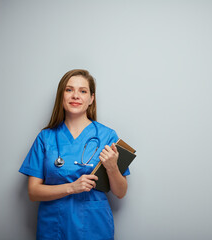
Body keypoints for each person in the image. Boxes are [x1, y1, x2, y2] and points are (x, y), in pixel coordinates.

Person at [19, 69, 129, 240]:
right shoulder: (46, 137)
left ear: (91, 98)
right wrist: (72, 187)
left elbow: (121, 192)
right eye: (69, 90)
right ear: (61, 96)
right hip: (54, 227)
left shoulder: (108, 136)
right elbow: (33, 192)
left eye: (83, 91)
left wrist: (113, 167)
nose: (75, 96)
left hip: (94, 227)